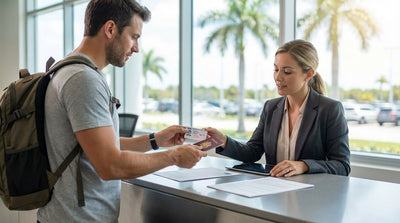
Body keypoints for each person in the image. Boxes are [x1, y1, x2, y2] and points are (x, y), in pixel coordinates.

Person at [37, 0, 207, 222]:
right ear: (110, 29)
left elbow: (96, 147)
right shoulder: (83, 79)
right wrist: (173, 156)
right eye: (134, 36)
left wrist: (155, 140)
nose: (136, 48)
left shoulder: (67, 69)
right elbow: (110, 164)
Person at [206, 39, 350, 178]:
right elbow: (252, 152)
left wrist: (304, 165)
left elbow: (342, 165)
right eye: (276, 69)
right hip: (274, 195)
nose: (278, 77)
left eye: (287, 72)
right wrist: (223, 140)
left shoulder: (330, 109)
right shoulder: (271, 107)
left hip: (311, 197)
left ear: (309, 74)